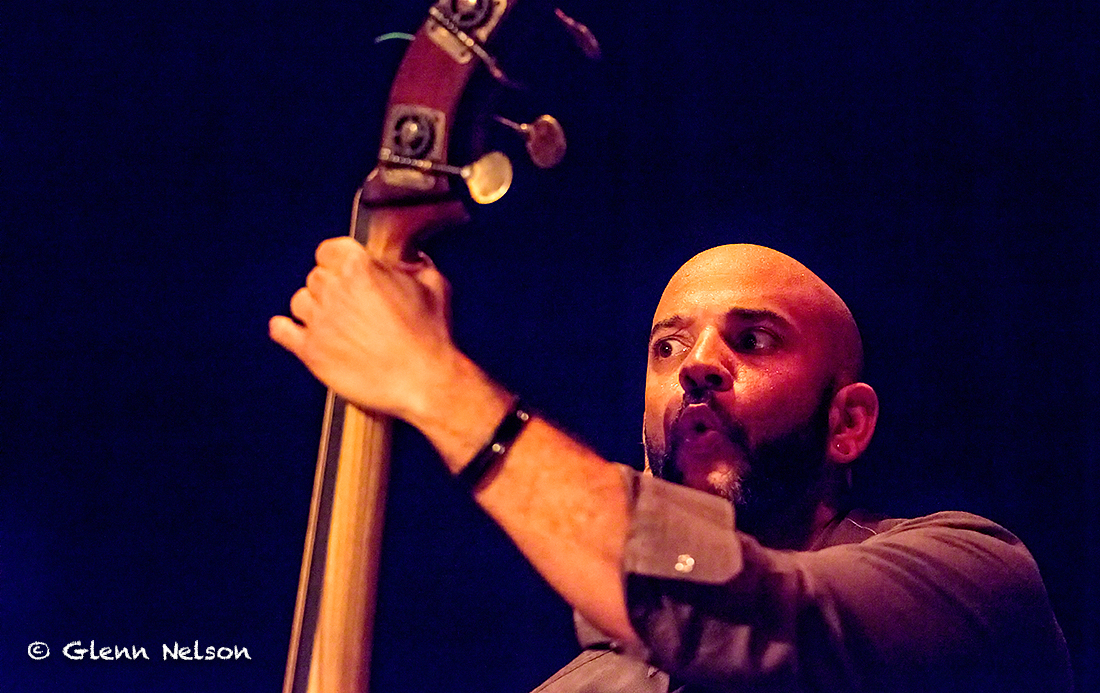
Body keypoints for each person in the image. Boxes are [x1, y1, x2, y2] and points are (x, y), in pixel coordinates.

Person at [270, 241, 1072, 692]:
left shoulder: (971, 578)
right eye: (667, 347)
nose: (697, 365)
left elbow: (753, 619)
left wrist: (431, 380)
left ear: (848, 424)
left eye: (753, 339)